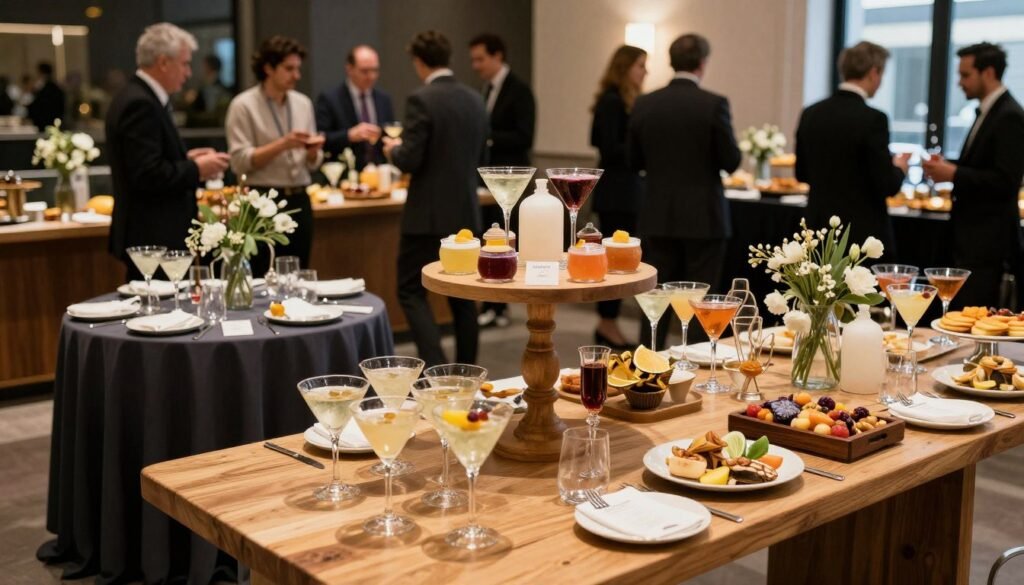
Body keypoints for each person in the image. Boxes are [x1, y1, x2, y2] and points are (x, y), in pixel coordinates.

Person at [628, 33, 741, 348]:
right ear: (702, 64)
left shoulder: (645, 103)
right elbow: (730, 161)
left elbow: (633, 160)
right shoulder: (713, 105)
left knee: (655, 301)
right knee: (701, 304)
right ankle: (697, 367)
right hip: (704, 217)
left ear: (670, 61)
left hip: (657, 213)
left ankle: (648, 363)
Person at [383, 31, 488, 366]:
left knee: (410, 290)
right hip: (465, 212)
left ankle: (436, 364)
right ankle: (468, 367)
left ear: (419, 61)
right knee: (464, 296)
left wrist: (391, 150)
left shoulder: (421, 99)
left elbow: (410, 159)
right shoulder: (475, 99)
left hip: (426, 215)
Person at [107, 23, 230, 280]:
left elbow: (149, 161)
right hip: (154, 237)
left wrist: (185, 159)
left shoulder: (141, 96)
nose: (188, 73)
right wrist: (198, 168)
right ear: (163, 62)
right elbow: (147, 175)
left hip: (155, 235)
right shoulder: (140, 103)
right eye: (184, 64)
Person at [924, 42, 1024, 307]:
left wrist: (953, 173)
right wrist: (949, 167)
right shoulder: (990, 111)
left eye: (965, 75)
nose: (959, 83)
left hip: (989, 242)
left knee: (974, 317)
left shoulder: (1010, 116)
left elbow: (1005, 180)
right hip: (973, 239)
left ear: (988, 73)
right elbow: (983, 165)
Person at [795, 41, 909, 257]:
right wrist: (901, 167)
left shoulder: (811, 113)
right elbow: (886, 184)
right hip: (861, 235)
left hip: (817, 230)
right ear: (874, 72)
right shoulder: (874, 119)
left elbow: (801, 173)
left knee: (818, 291)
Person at [225, 36, 324, 274]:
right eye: (289, 69)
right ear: (268, 68)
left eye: (298, 68)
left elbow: (312, 164)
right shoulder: (243, 105)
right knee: (262, 275)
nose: (296, 75)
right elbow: (239, 162)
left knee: (297, 274)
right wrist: (282, 145)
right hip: (261, 201)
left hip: (300, 199)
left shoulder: (303, 103)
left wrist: (313, 153)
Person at [469, 32, 536, 329]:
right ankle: (491, 302)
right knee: (490, 237)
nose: (476, 65)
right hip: (487, 177)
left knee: (506, 239)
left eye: (480, 59)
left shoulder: (520, 91)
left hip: (511, 180)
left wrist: (489, 138)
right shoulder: (485, 91)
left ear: (498, 56)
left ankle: (502, 305)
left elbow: (525, 136)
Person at [589, 45, 647, 348]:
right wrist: (642, 152)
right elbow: (608, 147)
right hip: (617, 192)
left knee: (619, 259)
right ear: (625, 68)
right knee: (613, 260)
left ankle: (608, 322)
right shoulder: (612, 101)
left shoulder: (623, 100)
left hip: (624, 190)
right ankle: (607, 322)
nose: (644, 72)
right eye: (640, 66)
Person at [315, 45, 393, 168]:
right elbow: (321, 139)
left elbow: (388, 132)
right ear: (349, 69)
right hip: (346, 172)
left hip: (378, 172)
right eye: (365, 71)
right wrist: (349, 135)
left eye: (375, 70)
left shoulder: (383, 99)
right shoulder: (330, 99)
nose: (371, 76)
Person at [187, 54, 231, 127]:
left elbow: (210, 112)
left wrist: (193, 100)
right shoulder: (205, 85)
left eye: (204, 66)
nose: (202, 69)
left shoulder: (216, 88)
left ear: (209, 67)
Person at [27, 62, 65, 130]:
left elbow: (39, 104)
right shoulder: (55, 87)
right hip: (53, 121)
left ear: (41, 72)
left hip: (46, 122)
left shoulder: (46, 88)